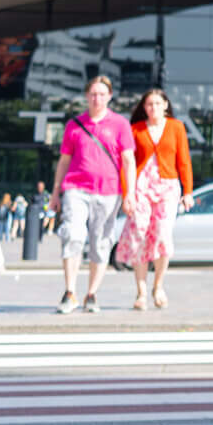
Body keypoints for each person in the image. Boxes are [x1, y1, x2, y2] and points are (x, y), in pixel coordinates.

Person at [48, 75, 135, 315]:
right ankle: (70, 292)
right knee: (73, 235)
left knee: (100, 242)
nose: (97, 98)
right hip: (76, 188)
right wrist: (56, 192)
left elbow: (129, 161)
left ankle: (92, 293)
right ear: (87, 96)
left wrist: (131, 194)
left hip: (109, 191)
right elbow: (64, 160)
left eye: (102, 94)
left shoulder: (120, 124)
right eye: (93, 94)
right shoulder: (74, 125)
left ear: (110, 97)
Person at [121, 88, 192, 310]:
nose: (153, 108)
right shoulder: (135, 129)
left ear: (166, 106)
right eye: (149, 104)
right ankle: (141, 291)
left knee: (162, 234)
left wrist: (188, 191)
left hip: (167, 187)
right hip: (140, 186)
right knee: (139, 234)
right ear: (144, 107)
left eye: (158, 104)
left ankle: (158, 285)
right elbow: (126, 164)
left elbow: (184, 161)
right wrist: (127, 194)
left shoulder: (176, 127)